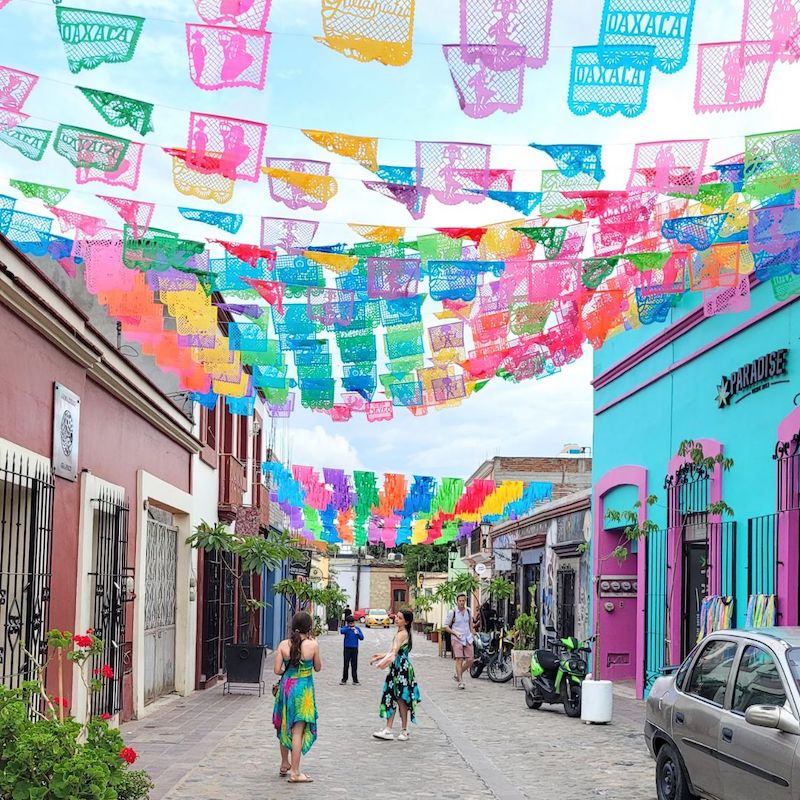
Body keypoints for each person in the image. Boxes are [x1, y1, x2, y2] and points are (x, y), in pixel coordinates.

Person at [272, 611, 321, 783]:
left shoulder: (283, 645)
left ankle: (284, 763)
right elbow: (318, 668)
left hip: (286, 688)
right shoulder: (313, 645)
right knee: (298, 731)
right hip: (303, 690)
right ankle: (295, 772)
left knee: (284, 725)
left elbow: (277, 670)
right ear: (309, 627)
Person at [371, 608, 420, 741]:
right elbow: (395, 652)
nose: (396, 619)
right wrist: (380, 656)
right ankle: (389, 728)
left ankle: (403, 730)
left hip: (401, 670)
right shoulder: (402, 632)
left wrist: (382, 662)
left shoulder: (401, 634)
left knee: (400, 699)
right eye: (397, 617)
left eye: (400, 618)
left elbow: (394, 652)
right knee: (392, 697)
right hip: (400, 667)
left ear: (406, 621)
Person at [444, 593, 475, 689]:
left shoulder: (469, 611)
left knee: (470, 659)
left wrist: (472, 633)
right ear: (457, 601)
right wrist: (455, 633)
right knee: (459, 659)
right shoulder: (452, 612)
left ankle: (458, 673)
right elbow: (446, 626)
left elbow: (470, 624)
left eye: (463, 601)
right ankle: (460, 681)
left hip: (467, 638)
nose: (462, 602)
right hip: (456, 638)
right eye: (460, 601)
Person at [340, 614, 364, 685]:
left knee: (354, 665)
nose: (352, 624)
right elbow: (341, 631)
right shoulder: (346, 629)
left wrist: (357, 632)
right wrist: (348, 628)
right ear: (348, 623)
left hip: (355, 648)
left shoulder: (357, 629)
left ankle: (355, 680)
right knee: (346, 664)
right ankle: (344, 679)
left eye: (353, 623)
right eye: (350, 623)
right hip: (347, 648)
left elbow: (362, 638)